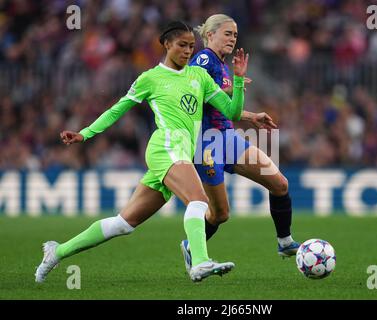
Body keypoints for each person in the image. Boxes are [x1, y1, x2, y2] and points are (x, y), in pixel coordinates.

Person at [35, 21, 250, 283]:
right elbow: (118, 109)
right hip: (165, 148)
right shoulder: (151, 78)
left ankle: (57, 252)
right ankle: (201, 262)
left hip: (181, 154)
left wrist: (238, 80)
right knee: (199, 199)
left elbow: (233, 112)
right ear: (167, 44)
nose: (187, 51)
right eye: (182, 45)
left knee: (123, 224)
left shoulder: (200, 77)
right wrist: (85, 133)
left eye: (191, 47)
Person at [180, 14, 300, 273]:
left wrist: (249, 115)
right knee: (220, 214)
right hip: (206, 144)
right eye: (227, 33)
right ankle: (191, 247)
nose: (233, 39)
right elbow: (193, 94)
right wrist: (230, 88)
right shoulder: (203, 60)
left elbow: (223, 107)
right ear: (210, 34)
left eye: (235, 35)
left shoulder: (222, 66)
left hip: (228, 136)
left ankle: (285, 241)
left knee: (279, 183)